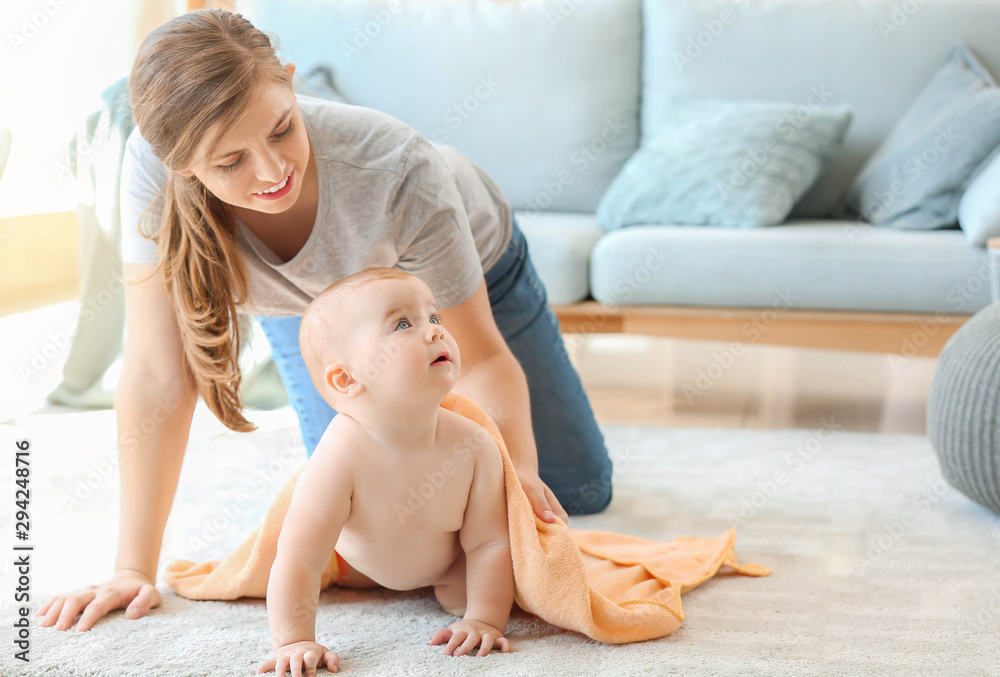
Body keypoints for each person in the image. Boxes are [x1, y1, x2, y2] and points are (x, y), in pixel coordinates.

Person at [35, 8, 610, 634]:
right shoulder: (151, 165)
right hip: (315, 309)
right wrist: (132, 569)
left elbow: (484, 359)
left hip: (465, 274)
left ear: (288, 80)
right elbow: (155, 374)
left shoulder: (398, 166)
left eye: (282, 129)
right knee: (363, 504)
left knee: (568, 493)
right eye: (230, 163)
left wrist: (514, 482)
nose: (271, 172)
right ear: (182, 165)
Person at [258, 267, 514, 676]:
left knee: (473, 590)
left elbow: (489, 544)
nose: (434, 332)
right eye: (402, 324)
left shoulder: (475, 444)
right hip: (358, 566)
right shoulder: (339, 457)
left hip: (447, 568)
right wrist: (294, 640)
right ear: (346, 379)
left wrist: (484, 618)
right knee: (326, 567)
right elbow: (300, 557)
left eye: (433, 317)